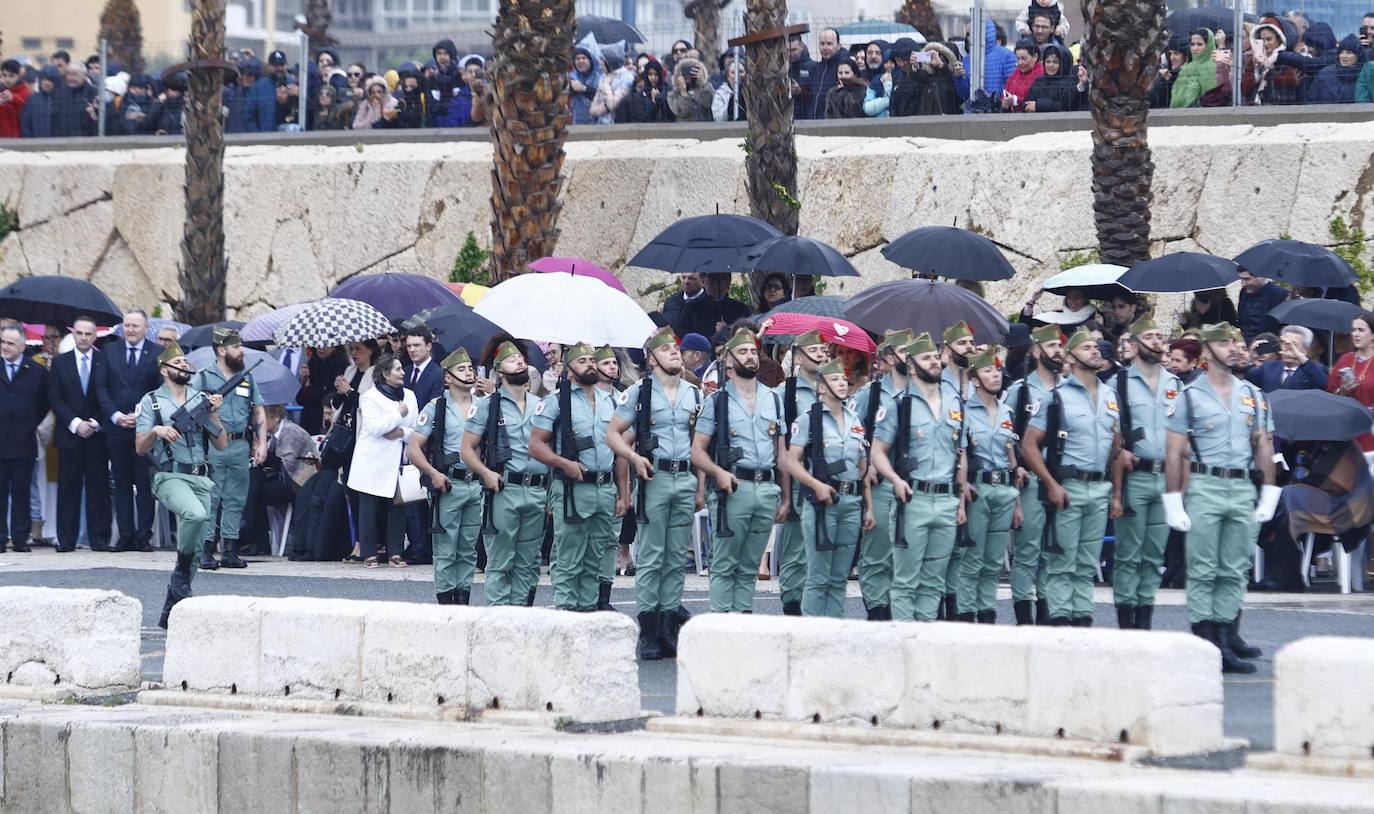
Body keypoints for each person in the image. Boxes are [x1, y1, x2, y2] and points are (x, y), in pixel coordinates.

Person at [1164, 323, 1278, 673]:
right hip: (1206, 484)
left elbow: (1263, 444)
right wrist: (1173, 500)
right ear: (1207, 351)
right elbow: (1174, 452)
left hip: (1241, 486)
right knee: (1203, 569)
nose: (1235, 348)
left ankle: (1227, 636)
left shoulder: (1253, 394)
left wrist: (1269, 492)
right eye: (1225, 343)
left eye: (1237, 342)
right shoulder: (1189, 396)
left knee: (1235, 566)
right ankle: (1206, 640)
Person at [607, 327, 702, 656]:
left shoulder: (694, 393)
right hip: (656, 477)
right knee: (650, 556)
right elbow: (614, 434)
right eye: (665, 349)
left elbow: (700, 443)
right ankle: (648, 629)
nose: (674, 352)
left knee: (676, 556)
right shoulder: (639, 393)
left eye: (675, 348)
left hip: (686, 477)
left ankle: (667, 625)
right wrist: (633, 457)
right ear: (651, 358)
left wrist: (701, 484)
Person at [1022, 327, 1116, 626]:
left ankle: (1082, 618)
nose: (1095, 351)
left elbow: (1116, 442)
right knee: (1062, 561)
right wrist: (1050, 484)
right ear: (1071, 358)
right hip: (1069, 485)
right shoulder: (1057, 397)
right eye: (1086, 348)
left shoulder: (1110, 394)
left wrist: (1115, 489)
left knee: (1087, 563)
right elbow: (1029, 444)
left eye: (1096, 346)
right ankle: (1061, 623)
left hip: (1099, 485)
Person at [692, 327, 787, 614]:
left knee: (750, 564)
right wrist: (717, 472)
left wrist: (785, 495)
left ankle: (743, 621)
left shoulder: (773, 398)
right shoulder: (717, 401)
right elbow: (697, 450)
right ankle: (721, 624)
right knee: (724, 563)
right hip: (733, 487)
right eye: (742, 352)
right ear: (729, 361)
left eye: (752, 352)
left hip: (766, 488)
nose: (750, 357)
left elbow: (781, 451)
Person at [136, 342, 228, 627]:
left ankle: (171, 610)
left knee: (198, 552)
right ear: (165, 370)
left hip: (202, 478)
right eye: (179, 362)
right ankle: (179, 579)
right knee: (195, 515)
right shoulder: (151, 401)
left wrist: (213, 412)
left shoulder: (201, 398)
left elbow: (222, 443)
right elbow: (140, 447)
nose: (185, 366)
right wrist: (156, 429)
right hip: (170, 476)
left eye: (187, 362)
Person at [870, 332, 961, 620]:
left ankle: (925, 645)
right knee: (906, 580)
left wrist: (960, 497)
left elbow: (962, 453)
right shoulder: (900, 404)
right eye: (926, 358)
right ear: (911, 366)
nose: (934, 362)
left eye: (936, 356)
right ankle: (904, 646)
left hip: (946, 498)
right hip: (914, 498)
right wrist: (895, 480)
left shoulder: (955, 402)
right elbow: (877, 451)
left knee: (934, 582)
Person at [530, 343, 622, 612]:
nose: (591, 364)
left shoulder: (612, 401)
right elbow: (536, 444)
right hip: (572, 487)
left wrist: (623, 492)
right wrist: (563, 463)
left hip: (604, 486)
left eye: (593, 359)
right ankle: (568, 612)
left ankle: (590, 609)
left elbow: (620, 448)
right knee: (570, 557)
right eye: (582, 361)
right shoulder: (557, 401)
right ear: (568, 370)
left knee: (597, 555)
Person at [1108, 317, 1183, 630]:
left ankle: (1145, 621)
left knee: (1154, 553)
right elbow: (1109, 431)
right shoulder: (1119, 383)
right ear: (1134, 343)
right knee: (1129, 553)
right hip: (1135, 476)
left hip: (1164, 477)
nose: (1156, 341)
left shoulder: (1174, 384)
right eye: (1149, 336)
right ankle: (1127, 625)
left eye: (1159, 335)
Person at [462, 341, 550, 606]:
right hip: (504, 490)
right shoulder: (488, 406)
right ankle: (498, 621)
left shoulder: (541, 405)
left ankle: (522, 618)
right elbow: (466, 449)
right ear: (499, 372)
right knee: (501, 561)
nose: (520, 363)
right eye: (513, 361)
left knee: (528, 562)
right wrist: (485, 473)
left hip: (536, 490)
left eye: (522, 360)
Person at [786, 356, 873, 617]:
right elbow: (792, 461)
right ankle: (812, 634)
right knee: (818, 575)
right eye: (834, 379)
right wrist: (815, 484)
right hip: (822, 501)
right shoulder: (809, 419)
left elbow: (862, 466)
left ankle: (834, 631)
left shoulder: (855, 418)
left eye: (843, 379)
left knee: (839, 577)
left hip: (851, 500)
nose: (842, 383)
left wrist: (868, 507)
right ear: (821, 387)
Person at [409, 348, 483, 605]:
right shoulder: (437, 406)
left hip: (476, 485)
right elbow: (413, 448)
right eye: (461, 369)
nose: (468, 372)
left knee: (467, 549)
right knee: (445, 549)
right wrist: (432, 473)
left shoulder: (483, 406)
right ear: (447, 378)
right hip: (449, 484)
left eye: (470, 368)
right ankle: (445, 605)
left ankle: (462, 600)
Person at [1003, 325, 1064, 624]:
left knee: (1053, 552)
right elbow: (1005, 433)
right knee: (1028, 551)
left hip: (1063, 477)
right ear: (1037, 351)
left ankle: (1047, 612)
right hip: (1031, 480)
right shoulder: (1020, 391)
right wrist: (1015, 467)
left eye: (1060, 345)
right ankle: (1025, 619)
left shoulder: (1070, 389)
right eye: (1051, 345)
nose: (1058, 351)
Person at [190, 328, 266, 570]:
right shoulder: (203, 377)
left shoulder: (247, 378)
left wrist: (262, 442)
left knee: (236, 499)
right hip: (214, 445)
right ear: (222, 350)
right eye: (236, 347)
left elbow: (258, 410)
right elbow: (192, 411)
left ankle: (230, 550)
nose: (241, 351)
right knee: (211, 498)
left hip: (240, 444)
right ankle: (206, 549)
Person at [850, 330, 912, 620]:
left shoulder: (922, 391)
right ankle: (878, 611)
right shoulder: (870, 395)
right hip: (883, 483)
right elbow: (851, 432)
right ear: (888, 358)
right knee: (878, 554)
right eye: (904, 350)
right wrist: (867, 461)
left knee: (907, 554)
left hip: (914, 482)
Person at [957, 347, 1021, 624]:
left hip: (1004, 489)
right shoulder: (964, 410)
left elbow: (1011, 458)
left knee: (994, 562)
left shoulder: (1006, 410)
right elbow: (960, 455)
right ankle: (966, 617)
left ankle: (987, 617)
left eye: (997, 370)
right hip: (978, 489)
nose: (995, 375)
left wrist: (1017, 500)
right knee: (971, 560)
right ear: (973, 379)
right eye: (987, 370)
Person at [775, 330, 830, 615]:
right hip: (798, 474)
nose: (821, 353)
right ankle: (793, 601)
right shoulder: (786, 393)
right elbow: (781, 443)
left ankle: (812, 599)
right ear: (798, 356)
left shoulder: (831, 388)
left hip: (825, 473)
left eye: (824, 349)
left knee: (819, 545)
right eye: (814, 349)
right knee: (796, 546)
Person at [98, 310, 162, 553]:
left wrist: (143, 416)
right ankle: (125, 536)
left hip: (144, 430)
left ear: (146, 328)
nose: (131, 330)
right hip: (117, 428)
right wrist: (115, 416)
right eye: (127, 325)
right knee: (122, 484)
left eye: (136, 326)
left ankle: (143, 536)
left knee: (144, 484)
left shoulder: (157, 353)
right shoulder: (109, 351)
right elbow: (101, 388)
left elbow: (159, 390)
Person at [347, 354, 418, 568]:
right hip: (372, 459)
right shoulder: (369, 397)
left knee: (397, 507)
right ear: (386, 374)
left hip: (397, 459)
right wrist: (397, 414)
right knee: (368, 507)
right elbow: (375, 428)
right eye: (397, 369)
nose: (402, 372)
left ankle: (395, 551)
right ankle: (369, 553)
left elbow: (415, 427)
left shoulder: (410, 396)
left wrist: (400, 433)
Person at [47, 316, 111, 553]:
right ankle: (66, 538)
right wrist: (75, 423)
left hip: (96, 435)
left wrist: (94, 422)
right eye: (80, 333)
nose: (84, 338)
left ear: (95, 336)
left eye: (88, 334)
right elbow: (55, 397)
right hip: (69, 435)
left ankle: (99, 539)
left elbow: (107, 395)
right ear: (73, 334)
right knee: (68, 488)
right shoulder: (60, 362)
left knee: (98, 488)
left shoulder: (104, 361)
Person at [0, 326, 48, 554]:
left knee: (21, 492)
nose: (5, 347)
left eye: (10, 343)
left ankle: (20, 538)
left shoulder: (36, 372)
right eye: (3, 342)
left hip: (23, 441)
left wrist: (28, 421)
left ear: (22, 346)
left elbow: (43, 403)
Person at [1328, 312, 1374, 454]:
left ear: (1373, 334)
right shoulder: (1345, 359)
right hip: (1346, 428)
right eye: (1353, 330)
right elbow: (1329, 396)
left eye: (1361, 330)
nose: (1355, 334)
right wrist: (1342, 391)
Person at [1247, 325, 1327, 391]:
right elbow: (1247, 381)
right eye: (1284, 343)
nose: (1288, 348)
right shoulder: (1269, 367)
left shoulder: (1314, 369)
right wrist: (1251, 357)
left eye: (1294, 344)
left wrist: (1302, 359)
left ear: (1305, 349)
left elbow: (1322, 384)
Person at [1024, 43, 1085, 112]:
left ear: (1063, 63)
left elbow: (1066, 106)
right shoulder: (1039, 81)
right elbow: (1026, 104)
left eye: (1055, 62)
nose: (1051, 65)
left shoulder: (1071, 82)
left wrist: (1038, 105)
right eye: (1048, 61)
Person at [1236, 268, 1290, 341]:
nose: (1243, 284)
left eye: (1247, 279)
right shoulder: (1243, 292)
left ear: (1261, 276)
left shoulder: (1280, 294)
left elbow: (1281, 328)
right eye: (1241, 279)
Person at [1170, 29, 1218, 108]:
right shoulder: (1186, 68)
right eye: (1192, 44)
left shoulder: (1215, 66)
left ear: (1209, 45)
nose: (1195, 48)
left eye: (1199, 44)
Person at [668, 54, 714, 122]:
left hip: (704, 128)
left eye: (691, 70)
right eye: (685, 71)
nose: (688, 74)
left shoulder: (706, 88)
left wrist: (703, 83)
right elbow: (682, 113)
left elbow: (708, 104)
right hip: (683, 129)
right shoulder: (673, 94)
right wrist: (683, 93)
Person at [1002, 43, 1043, 112]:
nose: (1020, 62)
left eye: (1024, 58)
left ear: (1035, 57)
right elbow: (1006, 91)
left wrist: (1015, 100)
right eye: (1018, 59)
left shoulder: (1041, 75)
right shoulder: (1015, 73)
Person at [0, 59, 31, 139]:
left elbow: (26, 113)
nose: (7, 79)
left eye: (11, 76)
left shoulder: (25, 92)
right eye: (4, 75)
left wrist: (13, 98)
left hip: (19, 140)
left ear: (19, 76)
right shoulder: (1, 90)